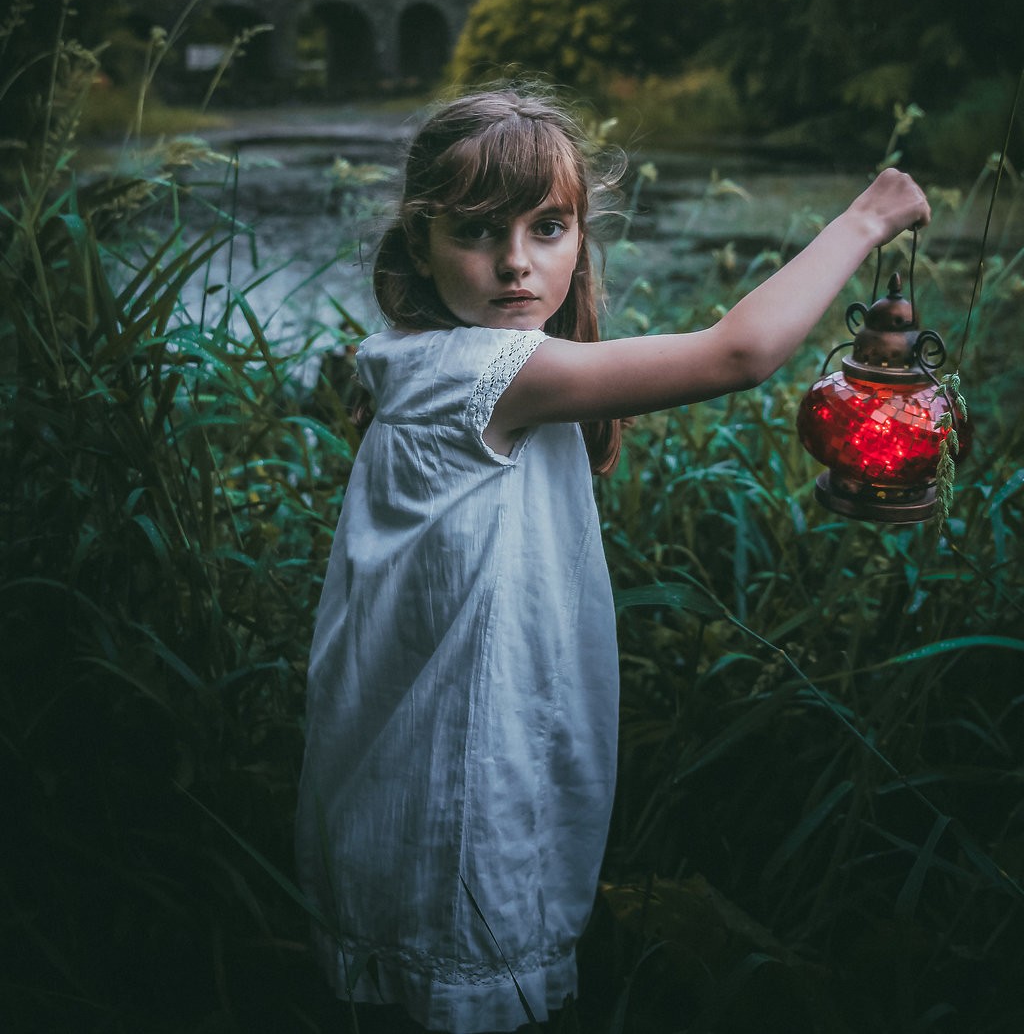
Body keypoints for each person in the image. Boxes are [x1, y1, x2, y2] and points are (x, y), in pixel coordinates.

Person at [295, 86, 930, 1034]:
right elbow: (738, 354)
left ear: (579, 237)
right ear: (420, 244)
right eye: (477, 231)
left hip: (425, 763)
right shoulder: (479, 371)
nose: (516, 261)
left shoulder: (447, 357)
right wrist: (863, 220)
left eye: (548, 227)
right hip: (451, 785)